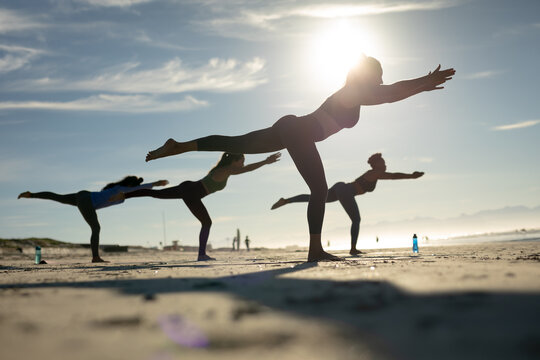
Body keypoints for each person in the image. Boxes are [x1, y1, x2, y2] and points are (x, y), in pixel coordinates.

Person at [144, 56, 455, 262]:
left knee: (236, 142)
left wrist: (420, 85)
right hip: (297, 131)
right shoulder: (354, 91)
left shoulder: (357, 94)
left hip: (291, 127)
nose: (381, 81)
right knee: (319, 190)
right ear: (368, 75)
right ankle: (315, 250)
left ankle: (179, 146)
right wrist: (422, 83)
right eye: (379, 76)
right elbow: (389, 93)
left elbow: (388, 93)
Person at [111, 152, 281, 261]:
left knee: (156, 194)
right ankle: (201, 255)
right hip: (191, 191)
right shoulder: (227, 170)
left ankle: (125, 195)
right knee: (206, 222)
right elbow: (248, 170)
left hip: (190, 189)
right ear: (235, 161)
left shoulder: (224, 169)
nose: (243, 163)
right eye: (242, 160)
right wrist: (266, 161)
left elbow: (245, 168)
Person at [271, 153, 424, 255]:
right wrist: (411, 176)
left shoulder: (375, 174)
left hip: (342, 189)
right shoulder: (376, 173)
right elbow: (393, 176)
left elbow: (390, 176)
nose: (385, 164)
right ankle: (353, 249)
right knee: (356, 219)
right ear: (376, 165)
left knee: (317, 198)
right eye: (382, 162)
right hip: (345, 191)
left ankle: (287, 200)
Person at [18, 176, 168, 263]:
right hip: (87, 201)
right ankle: (96, 257)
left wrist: (154, 184)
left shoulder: (117, 188)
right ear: (130, 185)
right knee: (96, 228)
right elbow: (138, 189)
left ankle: (31, 195)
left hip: (83, 195)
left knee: (57, 197)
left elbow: (136, 189)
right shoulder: (122, 189)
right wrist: (156, 183)